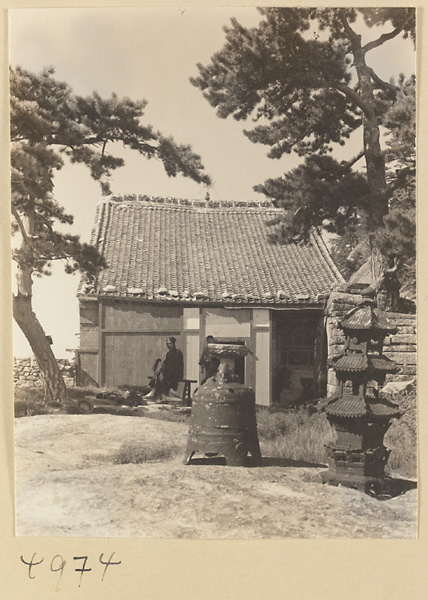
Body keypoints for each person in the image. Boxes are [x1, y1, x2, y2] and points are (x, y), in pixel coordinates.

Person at [144, 337, 184, 401]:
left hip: (176, 373)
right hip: (169, 373)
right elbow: (166, 364)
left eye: (170, 343)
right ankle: (159, 394)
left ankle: (154, 392)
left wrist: (163, 370)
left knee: (161, 375)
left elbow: (174, 366)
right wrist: (161, 369)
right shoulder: (168, 354)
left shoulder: (178, 353)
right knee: (159, 373)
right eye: (167, 344)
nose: (168, 345)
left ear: (173, 343)